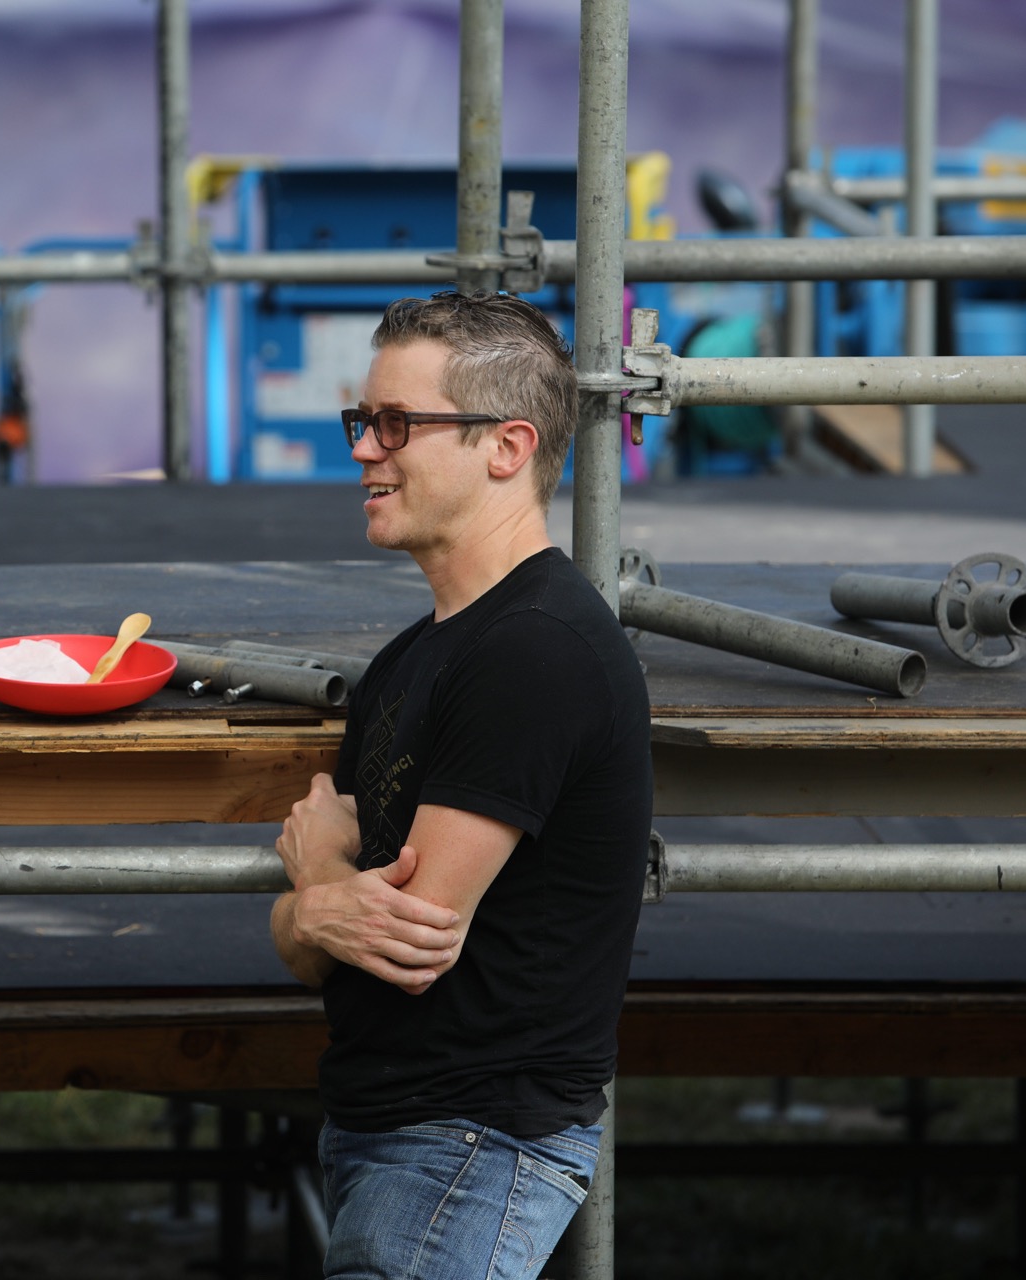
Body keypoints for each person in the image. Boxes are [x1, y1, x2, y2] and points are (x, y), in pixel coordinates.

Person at [267, 291, 652, 1280]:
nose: (365, 448)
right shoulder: (413, 659)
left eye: (398, 423)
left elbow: (408, 938)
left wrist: (318, 877)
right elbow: (318, 945)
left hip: (471, 1144)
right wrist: (319, 903)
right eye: (363, 420)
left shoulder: (535, 651)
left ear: (507, 446)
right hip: (401, 1134)